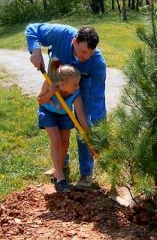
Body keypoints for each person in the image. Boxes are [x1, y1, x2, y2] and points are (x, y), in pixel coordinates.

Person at [25, 23, 107, 190]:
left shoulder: (97, 64)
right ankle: (60, 164)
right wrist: (35, 50)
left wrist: (96, 137)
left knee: (83, 121)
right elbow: (32, 29)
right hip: (56, 82)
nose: (87, 57)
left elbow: (97, 101)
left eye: (91, 53)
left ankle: (86, 173)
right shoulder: (61, 34)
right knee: (60, 131)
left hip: (80, 84)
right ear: (75, 41)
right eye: (84, 52)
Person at [37, 58, 89, 192]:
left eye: (78, 83)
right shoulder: (48, 84)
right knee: (56, 141)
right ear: (61, 84)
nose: (78, 87)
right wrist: (51, 93)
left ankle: (57, 168)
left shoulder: (76, 93)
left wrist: (89, 134)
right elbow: (40, 100)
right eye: (75, 85)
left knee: (65, 143)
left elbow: (81, 116)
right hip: (48, 113)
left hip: (65, 115)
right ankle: (60, 177)